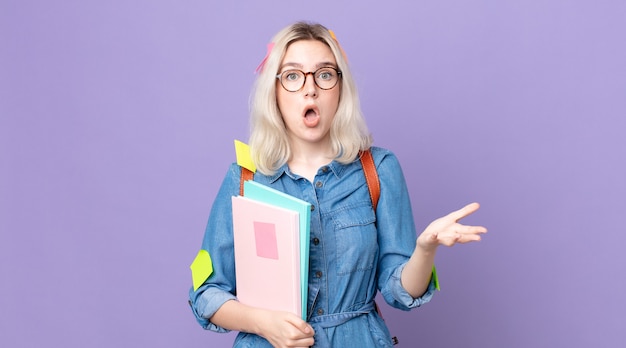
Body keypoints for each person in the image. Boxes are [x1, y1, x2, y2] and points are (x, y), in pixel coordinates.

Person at [188, 21, 487, 348]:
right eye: (292, 76)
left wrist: (425, 248)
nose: (310, 88)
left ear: (341, 88)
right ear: (273, 92)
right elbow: (206, 293)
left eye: (324, 74)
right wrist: (263, 323)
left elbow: (401, 292)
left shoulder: (379, 170)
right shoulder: (244, 178)